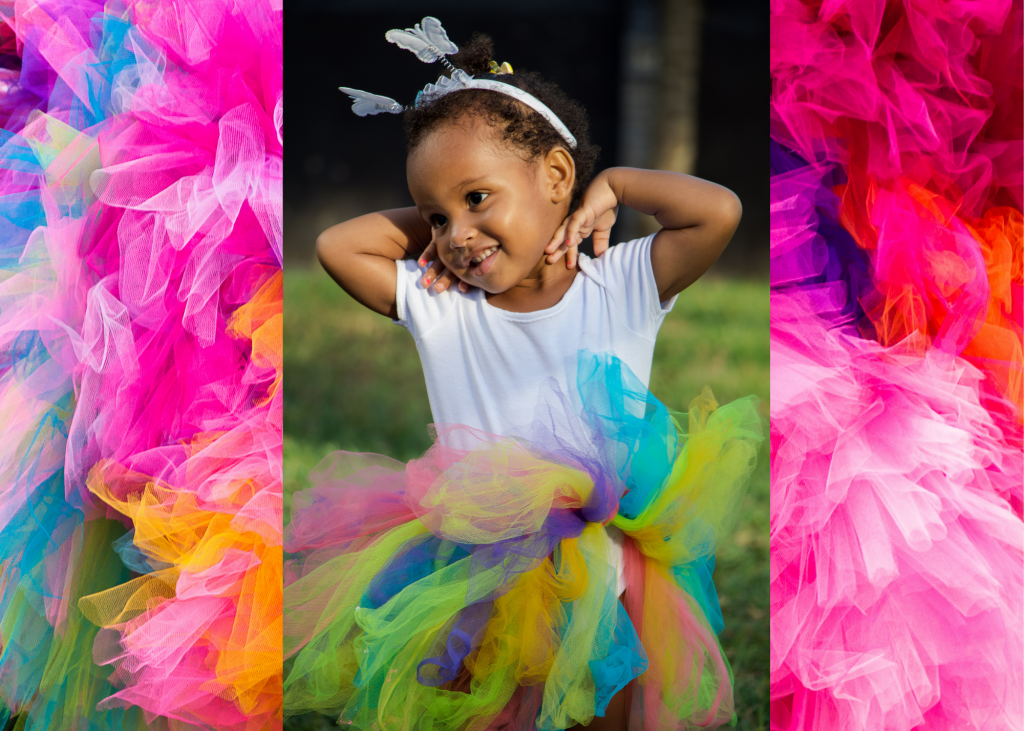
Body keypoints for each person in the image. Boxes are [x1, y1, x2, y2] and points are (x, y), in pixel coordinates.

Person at [283, 19, 763, 731]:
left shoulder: (619, 283)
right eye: (436, 216)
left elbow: (718, 212)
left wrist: (617, 185)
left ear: (557, 177)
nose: (457, 234)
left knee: (601, 705)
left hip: (602, 569)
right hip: (477, 572)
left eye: (478, 198)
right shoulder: (441, 303)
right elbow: (336, 246)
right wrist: (444, 227)